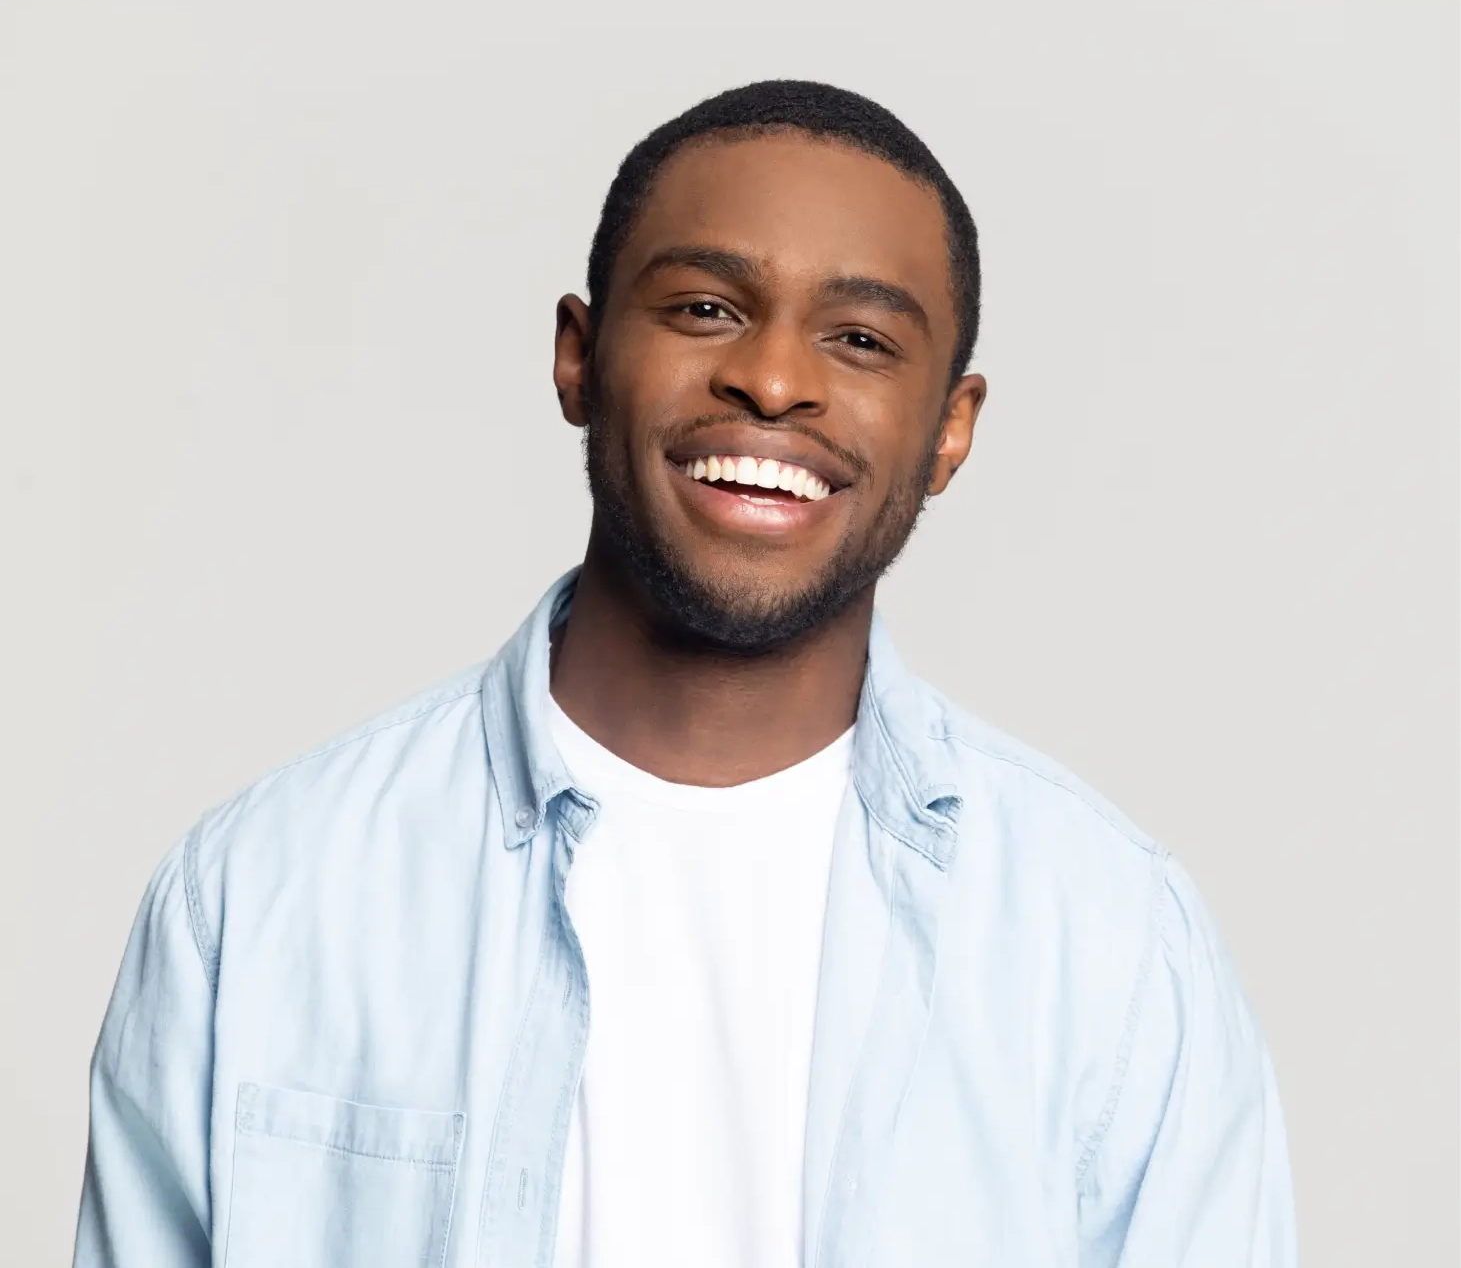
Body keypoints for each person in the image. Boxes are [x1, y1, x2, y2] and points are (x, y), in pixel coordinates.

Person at [73, 80, 1297, 1267]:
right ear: (578, 355)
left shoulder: (1113, 947)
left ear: (950, 431)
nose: (772, 381)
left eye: (861, 339)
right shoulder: (260, 893)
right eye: (707, 309)